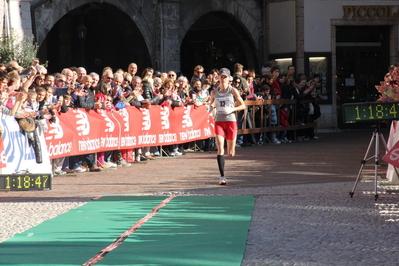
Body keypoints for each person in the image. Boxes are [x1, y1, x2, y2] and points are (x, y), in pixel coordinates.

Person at [209, 68, 245, 185]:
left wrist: (232, 109)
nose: (223, 79)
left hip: (230, 121)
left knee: (231, 152)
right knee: (220, 149)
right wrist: (209, 108)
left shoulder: (232, 90)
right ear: (218, 78)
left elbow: (243, 105)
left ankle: (232, 150)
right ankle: (222, 177)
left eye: (225, 77)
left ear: (229, 79)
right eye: (221, 77)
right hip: (219, 121)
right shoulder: (214, 92)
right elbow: (211, 104)